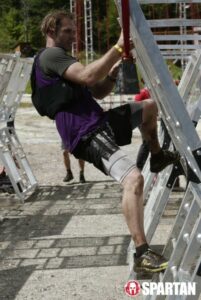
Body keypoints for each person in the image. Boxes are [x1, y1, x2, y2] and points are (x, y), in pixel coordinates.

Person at [31, 10, 180, 274]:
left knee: (148, 108)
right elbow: (88, 76)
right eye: (67, 31)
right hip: (85, 133)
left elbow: (97, 90)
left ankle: (156, 156)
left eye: (73, 32)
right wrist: (119, 46)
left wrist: (111, 74)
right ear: (51, 30)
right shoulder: (51, 56)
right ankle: (142, 253)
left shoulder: (63, 59)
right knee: (133, 179)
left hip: (98, 122)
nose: (72, 37)